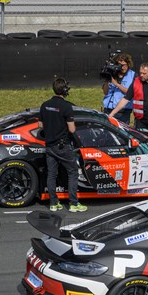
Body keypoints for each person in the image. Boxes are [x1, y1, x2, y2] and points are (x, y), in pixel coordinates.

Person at [39, 78, 87, 213]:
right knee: (72, 173)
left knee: (51, 174)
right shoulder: (66, 106)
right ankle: (74, 204)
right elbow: (72, 130)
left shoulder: (44, 105)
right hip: (63, 146)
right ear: (65, 90)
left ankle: (53, 203)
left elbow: (40, 125)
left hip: (49, 146)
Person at [109, 62, 148, 130]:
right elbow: (125, 99)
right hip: (141, 122)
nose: (141, 75)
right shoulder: (136, 83)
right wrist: (112, 114)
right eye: (140, 73)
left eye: (144, 73)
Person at [102, 52, 135, 125]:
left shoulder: (133, 75)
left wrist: (116, 84)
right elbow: (105, 92)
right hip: (108, 109)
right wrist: (107, 81)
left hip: (123, 111)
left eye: (123, 65)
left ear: (128, 64)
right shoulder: (113, 73)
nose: (122, 67)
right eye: (119, 65)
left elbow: (130, 92)